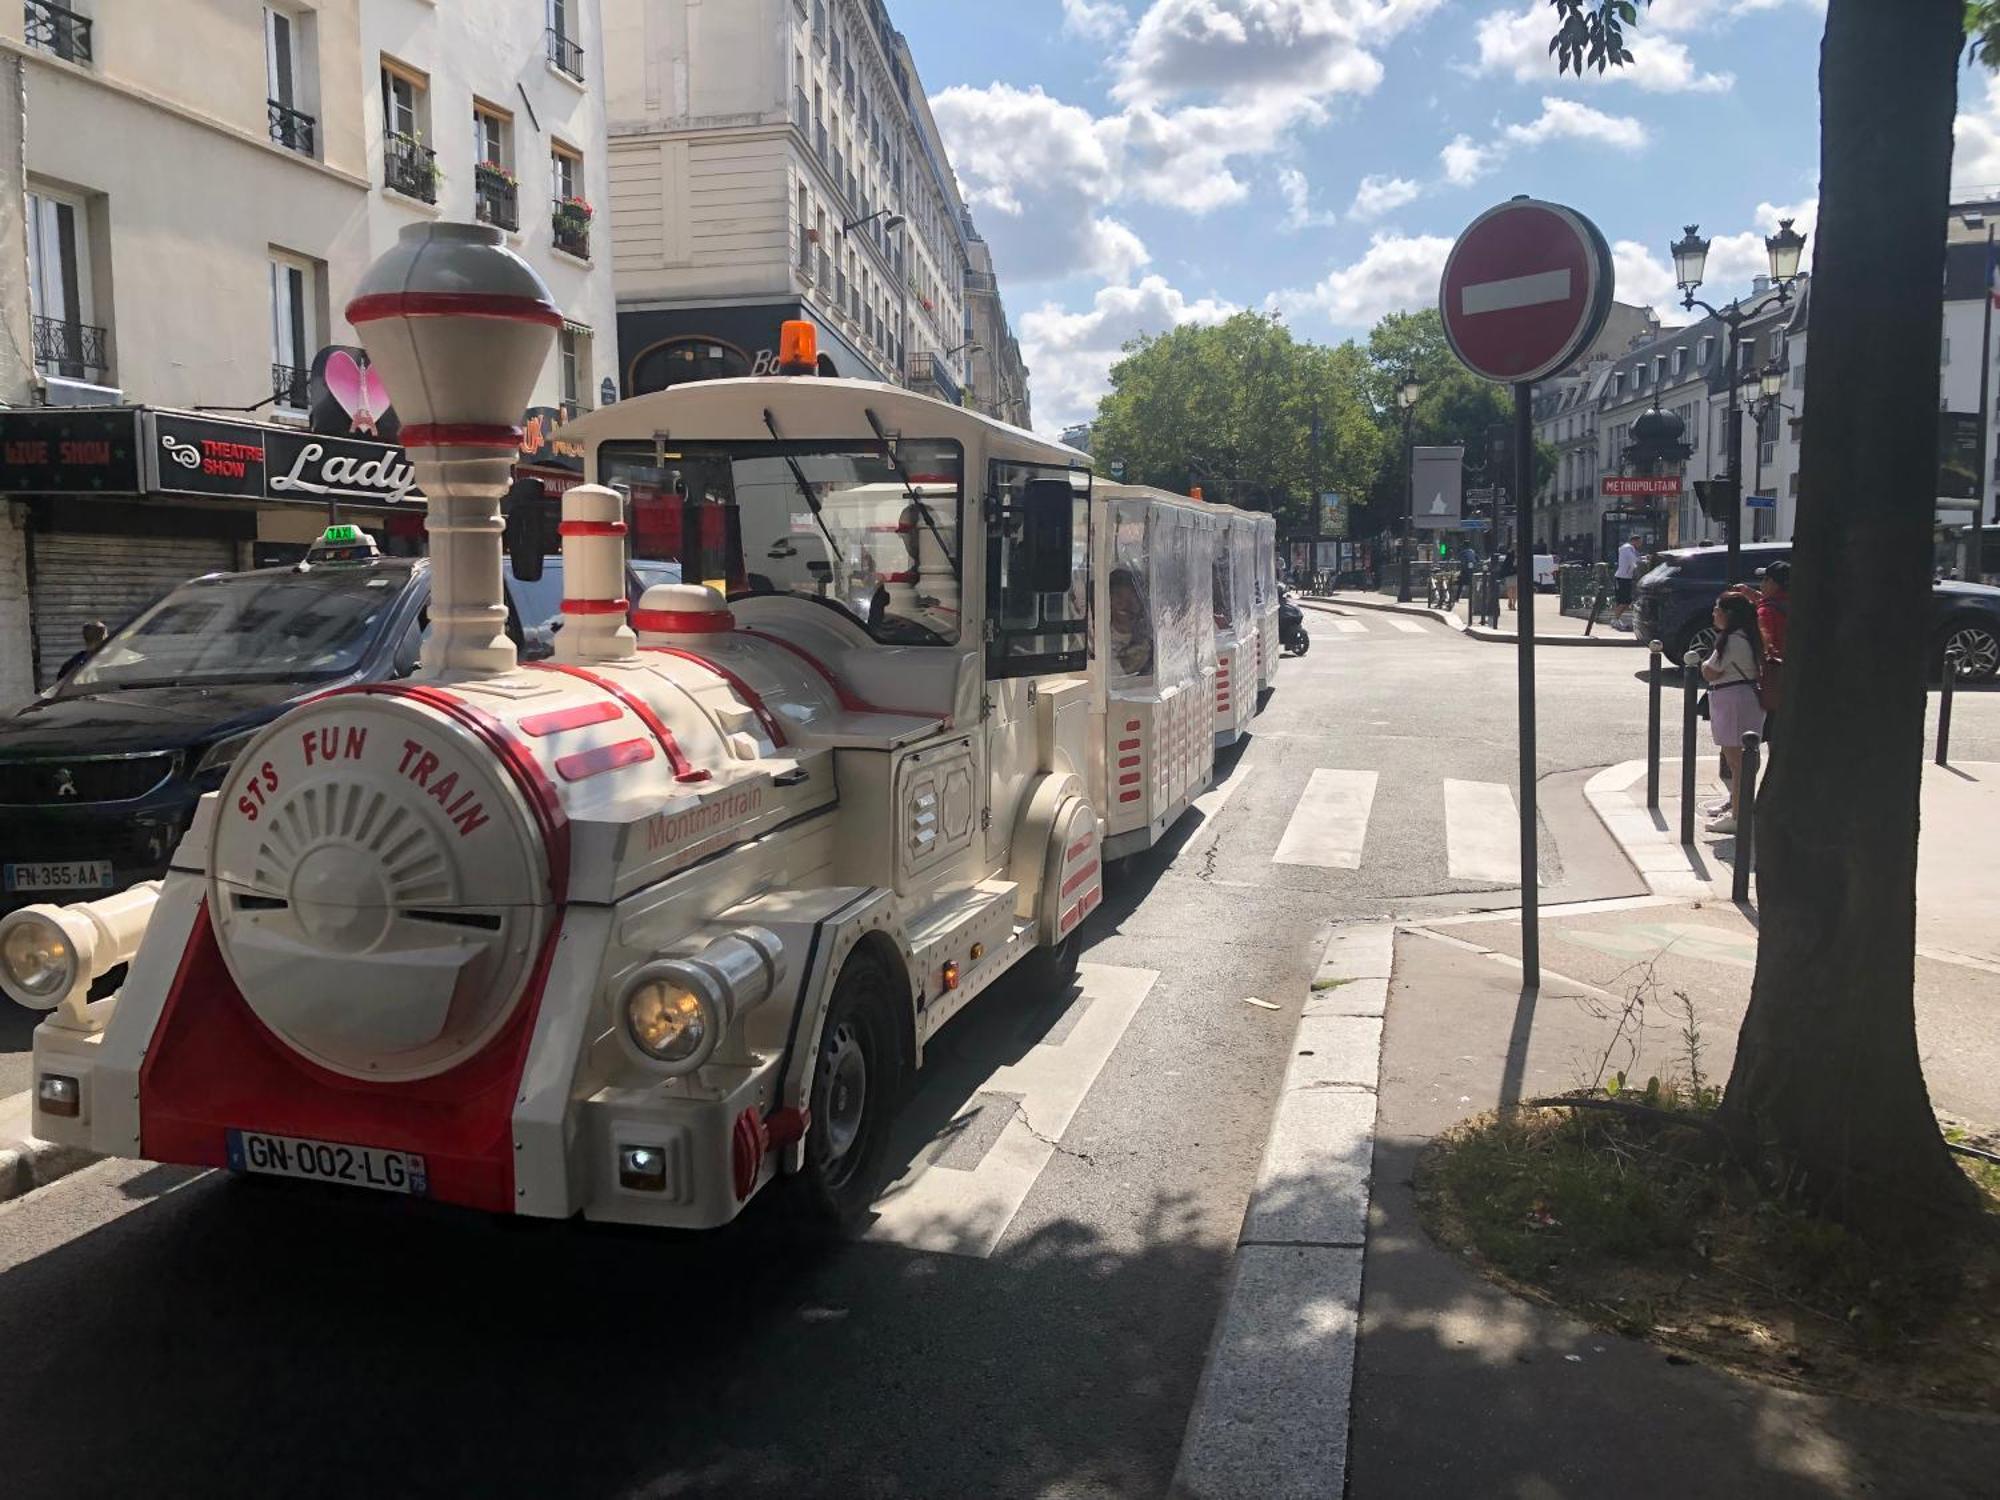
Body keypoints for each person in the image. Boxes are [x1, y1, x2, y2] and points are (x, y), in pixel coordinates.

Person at [1700, 589, 1765, 836]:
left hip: (1732, 698)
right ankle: (1739, 810)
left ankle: (1738, 817)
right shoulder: (1749, 635)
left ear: (1727, 614)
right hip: (1743, 697)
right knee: (1743, 760)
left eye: (1717, 609)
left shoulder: (1732, 640)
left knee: (1736, 761)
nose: (1714, 614)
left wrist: (1705, 665)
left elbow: (1710, 670)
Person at [1756, 560, 1789, 729]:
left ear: (1773, 583)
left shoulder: (1766, 611)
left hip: (1774, 677)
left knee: (1773, 730)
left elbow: (1764, 643)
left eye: (1765, 579)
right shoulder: (1797, 605)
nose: (1761, 584)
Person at [1108, 568, 1153, 677]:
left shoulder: (1149, 644)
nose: (1125, 604)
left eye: (1132, 596)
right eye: (1118, 595)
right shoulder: (1091, 638)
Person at [1613, 533, 1643, 631]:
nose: (1640, 544)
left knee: (1624, 601)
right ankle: (1615, 620)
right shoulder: (1628, 548)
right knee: (1624, 601)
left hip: (1626, 577)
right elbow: (1634, 561)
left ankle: (1616, 619)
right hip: (1623, 577)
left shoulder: (1630, 549)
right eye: (1639, 542)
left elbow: (1635, 559)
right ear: (1634, 541)